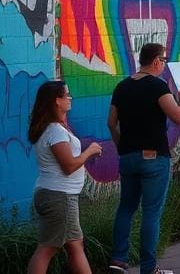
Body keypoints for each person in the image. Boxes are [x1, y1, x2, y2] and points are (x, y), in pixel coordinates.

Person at [108, 42, 180, 274]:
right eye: (163, 60)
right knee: (151, 212)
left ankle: (118, 260)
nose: (164, 64)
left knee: (126, 207)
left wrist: (121, 146)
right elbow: (179, 118)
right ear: (156, 61)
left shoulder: (122, 87)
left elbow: (111, 123)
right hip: (154, 158)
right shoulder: (158, 87)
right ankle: (149, 268)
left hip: (128, 158)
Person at [27, 80, 102, 274]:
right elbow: (69, 166)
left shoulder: (54, 129)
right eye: (66, 95)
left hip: (57, 195)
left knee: (74, 244)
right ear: (56, 101)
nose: (70, 98)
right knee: (47, 248)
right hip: (60, 197)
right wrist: (90, 151)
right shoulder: (55, 131)